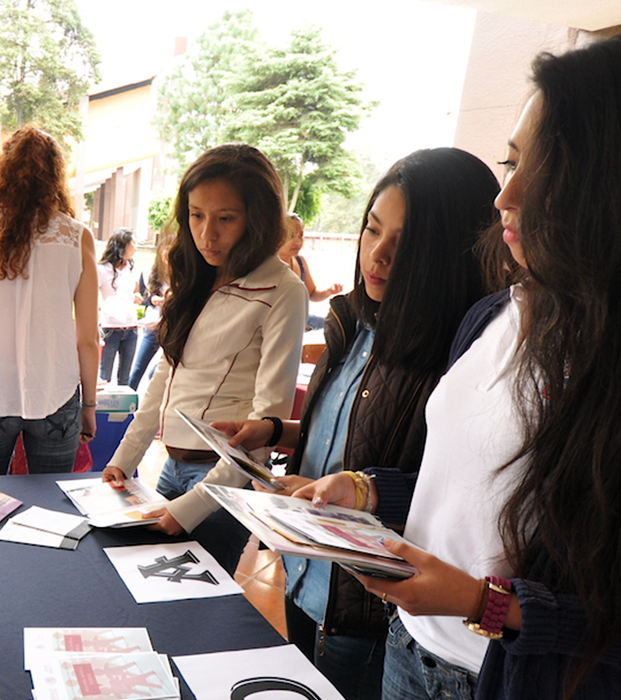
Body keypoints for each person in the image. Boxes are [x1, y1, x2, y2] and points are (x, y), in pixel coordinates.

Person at [298, 32, 621, 700]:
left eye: (552, 170)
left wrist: (492, 606)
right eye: (512, 164)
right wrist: (367, 491)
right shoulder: (493, 317)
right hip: (410, 652)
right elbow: (472, 481)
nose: (508, 197)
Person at [203, 148, 500, 700]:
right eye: (371, 229)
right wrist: (275, 431)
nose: (379, 254)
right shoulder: (353, 321)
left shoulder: (459, 357)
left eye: (405, 242)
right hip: (304, 572)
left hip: (372, 607)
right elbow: (347, 428)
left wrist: (360, 492)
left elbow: (448, 494)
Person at [100, 143, 308, 572]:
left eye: (225, 219)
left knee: (197, 618)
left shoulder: (282, 290)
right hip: (170, 468)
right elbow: (163, 381)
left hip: (220, 481)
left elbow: (265, 423)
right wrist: (125, 459)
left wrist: (193, 507)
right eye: (196, 216)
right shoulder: (196, 277)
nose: (207, 234)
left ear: (258, 218)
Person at [0, 126, 100, 476]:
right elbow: (88, 338)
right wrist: (89, 405)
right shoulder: (77, 237)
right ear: (56, 177)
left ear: (3, 176)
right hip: (56, 393)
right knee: (50, 509)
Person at [278, 214, 341, 330]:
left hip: (303, 319)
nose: (298, 242)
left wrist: (328, 291)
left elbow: (312, 294)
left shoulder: (300, 262)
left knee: (336, 327)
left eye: (301, 236)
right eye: (291, 236)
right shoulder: (268, 266)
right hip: (279, 324)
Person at [97, 227, 141, 386]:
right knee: (104, 378)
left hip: (131, 327)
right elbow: (91, 297)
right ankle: (100, 410)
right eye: (133, 244)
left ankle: (123, 411)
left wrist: (137, 296)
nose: (135, 248)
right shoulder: (102, 269)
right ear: (122, 245)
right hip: (110, 328)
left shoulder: (132, 267)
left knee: (125, 378)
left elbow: (136, 291)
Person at [128, 241, 169, 392]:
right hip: (154, 324)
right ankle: (128, 402)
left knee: (162, 369)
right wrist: (152, 299)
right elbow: (143, 297)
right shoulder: (150, 272)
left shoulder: (183, 272)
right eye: (165, 253)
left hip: (174, 325)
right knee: (138, 368)